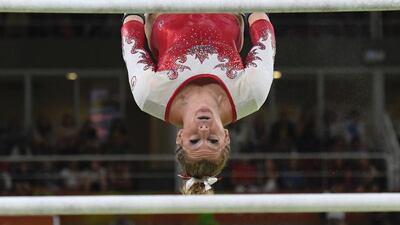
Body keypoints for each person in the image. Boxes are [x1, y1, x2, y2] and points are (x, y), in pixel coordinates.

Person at [121, 13, 276, 194]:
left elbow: (132, 33)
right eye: (212, 140)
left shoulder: (151, 95)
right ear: (226, 137)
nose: (203, 130)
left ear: (179, 138)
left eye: (194, 141)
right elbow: (263, 31)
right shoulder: (251, 94)